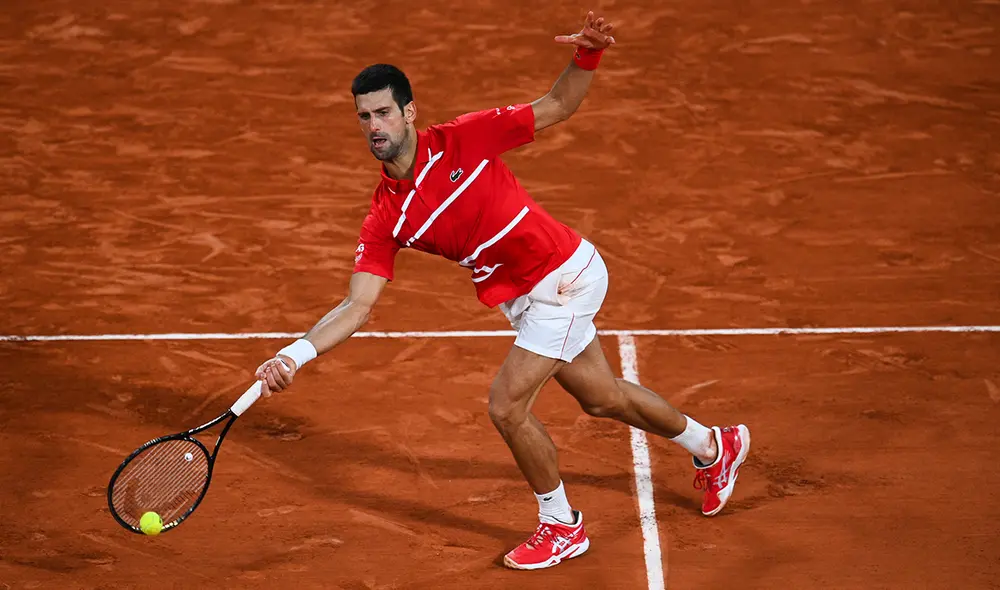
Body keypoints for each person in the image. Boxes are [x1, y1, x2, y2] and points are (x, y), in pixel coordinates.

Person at [254, 10, 750, 571]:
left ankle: (561, 524)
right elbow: (356, 304)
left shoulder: (463, 138)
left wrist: (587, 54)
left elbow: (557, 106)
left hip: (563, 277)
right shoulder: (384, 217)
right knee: (603, 397)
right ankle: (714, 446)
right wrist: (294, 354)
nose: (375, 125)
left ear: (409, 112)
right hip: (525, 299)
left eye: (385, 112)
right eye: (364, 116)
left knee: (507, 406)